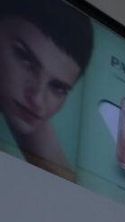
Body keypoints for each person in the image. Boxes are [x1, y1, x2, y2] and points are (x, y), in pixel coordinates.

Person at [0, 0, 94, 181]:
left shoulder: (23, 104)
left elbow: (69, 194)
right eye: (25, 59)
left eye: (57, 87)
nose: (36, 98)